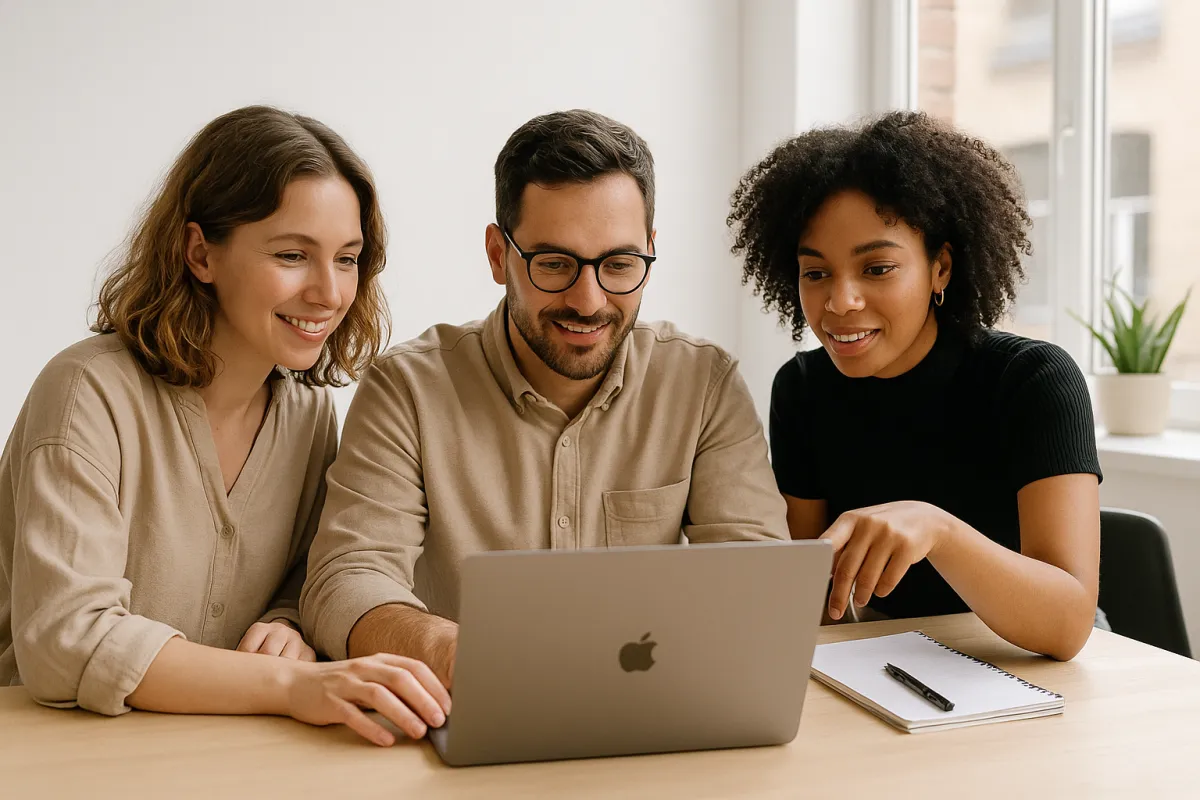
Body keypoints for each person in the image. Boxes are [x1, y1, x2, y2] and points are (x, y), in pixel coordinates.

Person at [0, 105, 450, 747]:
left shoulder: (306, 412)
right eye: (293, 255)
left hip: (221, 758)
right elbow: (68, 642)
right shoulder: (86, 394)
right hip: (55, 758)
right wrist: (294, 688)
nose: (329, 292)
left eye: (347, 259)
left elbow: (304, 576)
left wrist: (290, 624)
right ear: (199, 253)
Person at [301, 109, 789, 691]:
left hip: (654, 708)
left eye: (619, 265)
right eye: (554, 264)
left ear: (650, 252)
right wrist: (448, 648)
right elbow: (345, 578)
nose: (588, 300)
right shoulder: (407, 388)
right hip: (467, 706)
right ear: (497, 255)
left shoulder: (703, 385)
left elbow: (758, 585)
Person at [727, 110, 1102, 661]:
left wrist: (938, 531)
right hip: (892, 667)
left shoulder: (1034, 381)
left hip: (1032, 672)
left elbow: (1068, 625)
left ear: (941, 268)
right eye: (816, 272)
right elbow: (805, 594)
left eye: (876, 269)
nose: (839, 302)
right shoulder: (803, 389)